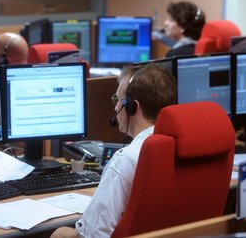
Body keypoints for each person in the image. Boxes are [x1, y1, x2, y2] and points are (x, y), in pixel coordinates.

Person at [50, 63, 177, 237]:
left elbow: (94, 234)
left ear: (133, 107)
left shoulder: (127, 159)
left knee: (60, 233)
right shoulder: (183, 144)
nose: (115, 108)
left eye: (118, 100)